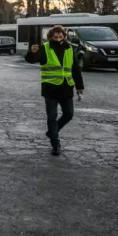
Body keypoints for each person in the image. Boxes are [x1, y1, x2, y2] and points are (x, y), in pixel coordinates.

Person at [24, 25, 84, 156]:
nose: (58, 39)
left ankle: (52, 132)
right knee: (51, 117)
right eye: (55, 37)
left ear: (64, 36)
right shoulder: (45, 48)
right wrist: (32, 52)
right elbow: (30, 60)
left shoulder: (69, 48)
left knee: (69, 114)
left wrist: (80, 86)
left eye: (60, 36)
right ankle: (55, 144)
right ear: (50, 37)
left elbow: (75, 69)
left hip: (66, 87)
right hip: (50, 89)